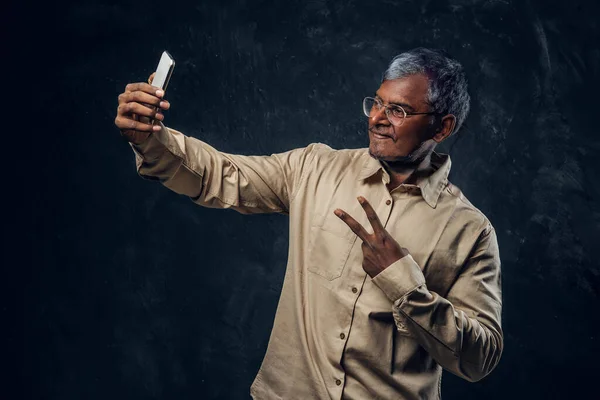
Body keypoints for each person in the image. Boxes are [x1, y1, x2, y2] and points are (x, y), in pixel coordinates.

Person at [114, 47, 503, 400]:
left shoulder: (470, 230)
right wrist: (151, 139)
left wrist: (404, 283)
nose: (378, 119)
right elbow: (221, 174)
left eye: (398, 111)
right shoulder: (315, 168)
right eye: (377, 103)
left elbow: (480, 358)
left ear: (442, 127)